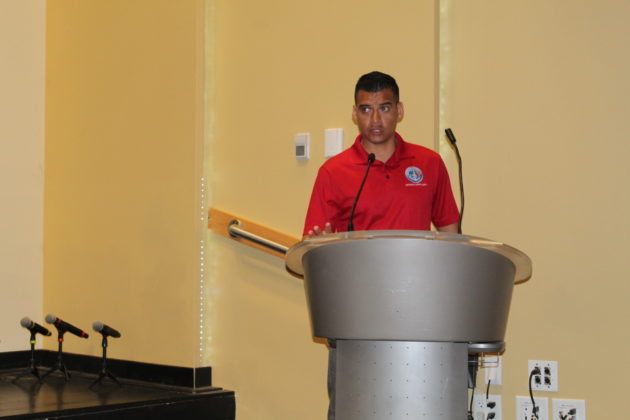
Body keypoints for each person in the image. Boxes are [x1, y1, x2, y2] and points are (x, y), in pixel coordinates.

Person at [302, 71, 460, 419]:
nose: (375, 119)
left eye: (384, 107)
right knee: (353, 407)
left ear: (400, 110)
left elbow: (450, 230)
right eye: (366, 109)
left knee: (420, 405)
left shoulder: (429, 163)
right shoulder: (334, 172)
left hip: (421, 312)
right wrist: (318, 248)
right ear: (355, 113)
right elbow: (313, 244)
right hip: (355, 313)